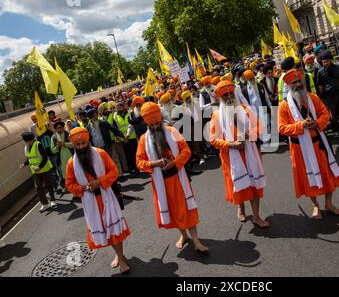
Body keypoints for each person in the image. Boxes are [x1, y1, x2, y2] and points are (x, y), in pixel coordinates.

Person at [136, 102, 209, 252]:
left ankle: (196, 241)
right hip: (161, 183)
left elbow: (186, 151)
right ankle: (183, 235)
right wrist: (155, 163)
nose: (156, 126)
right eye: (152, 124)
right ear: (146, 123)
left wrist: (174, 163)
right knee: (173, 211)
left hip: (178, 178)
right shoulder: (143, 140)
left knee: (187, 209)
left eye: (157, 123)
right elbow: (139, 162)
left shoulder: (171, 131)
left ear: (161, 118)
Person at [278, 69, 339, 219]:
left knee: (326, 172)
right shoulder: (284, 106)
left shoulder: (312, 97)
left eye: (300, 82)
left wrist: (317, 123)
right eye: (294, 83)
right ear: (289, 86)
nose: (298, 85)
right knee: (307, 176)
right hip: (300, 149)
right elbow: (282, 128)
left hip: (319, 143)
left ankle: (329, 203)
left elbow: (325, 113)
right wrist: (301, 125)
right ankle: (315, 205)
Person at [65, 127, 131, 273]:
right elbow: (69, 184)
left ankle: (121, 259)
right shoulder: (71, 163)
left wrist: (100, 181)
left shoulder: (100, 153)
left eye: (84, 144)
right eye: (78, 145)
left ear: (88, 141)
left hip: (107, 197)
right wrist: (83, 188)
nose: (82, 147)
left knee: (114, 230)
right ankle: (119, 255)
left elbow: (114, 171)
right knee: (106, 232)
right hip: (91, 203)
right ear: (74, 145)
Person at [210, 80, 269, 228]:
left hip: (250, 153)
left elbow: (259, 127)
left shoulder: (245, 109)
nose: (229, 98)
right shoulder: (217, 116)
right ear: (221, 99)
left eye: (231, 94)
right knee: (240, 188)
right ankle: (241, 208)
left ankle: (256, 216)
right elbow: (213, 140)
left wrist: (250, 134)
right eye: (225, 96)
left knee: (254, 186)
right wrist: (231, 145)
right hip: (231, 157)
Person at [20, 132, 57, 211]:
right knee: (38, 188)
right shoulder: (27, 147)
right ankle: (45, 204)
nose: (24, 142)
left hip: (44, 169)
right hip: (35, 172)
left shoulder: (38, 144)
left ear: (28, 140)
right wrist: (24, 164)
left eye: (24, 140)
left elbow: (45, 157)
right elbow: (29, 158)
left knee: (48, 185)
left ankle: (53, 200)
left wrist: (39, 167)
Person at [51, 121, 74, 189]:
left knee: (75, 173)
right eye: (57, 128)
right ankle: (72, 190)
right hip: (61, 161)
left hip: (72, 157)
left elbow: (74, 144)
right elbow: (52, 150)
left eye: (60, 127)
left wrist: (65, 144)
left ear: (63, 127)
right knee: (67, 176)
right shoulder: (54, 137)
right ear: (55, 129)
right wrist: (57, 146)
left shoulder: (68, 134)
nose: (59, 129)